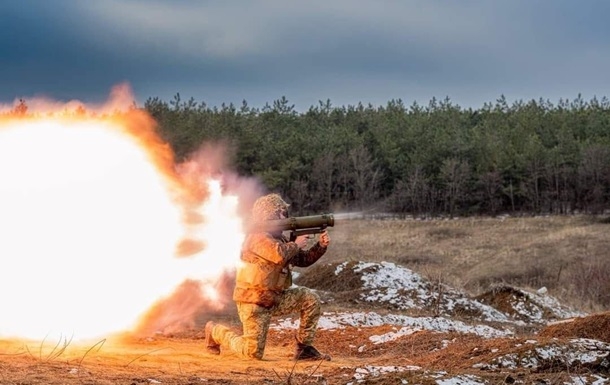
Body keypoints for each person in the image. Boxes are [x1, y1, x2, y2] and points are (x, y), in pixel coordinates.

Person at [204, 193, 332, 361]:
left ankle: (304, 349)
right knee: (252, 353)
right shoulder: (256, 237)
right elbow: (277, 254)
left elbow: (302, 259)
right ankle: (215, 331)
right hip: (254, 302)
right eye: (281, 212)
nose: (285, 216)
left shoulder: (278, 238)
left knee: (310, 299)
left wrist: (320, 246)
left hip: (275, 297)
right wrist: (296, 243)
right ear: (269, 214)